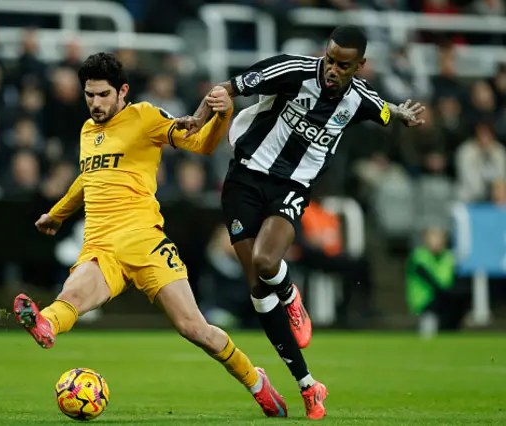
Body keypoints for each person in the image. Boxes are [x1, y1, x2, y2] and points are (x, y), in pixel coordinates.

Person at [12, 53, 288, 418]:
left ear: (122, 91)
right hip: (101, 245)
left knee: (194, 328)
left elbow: (202, 144)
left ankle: (256, 381)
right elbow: (87, 178)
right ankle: (44, 323)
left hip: (145, 243)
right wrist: (57, 214)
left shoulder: (145, 117)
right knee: (72, 294)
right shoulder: (87, 131)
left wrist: (222, 114)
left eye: (103, 95)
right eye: (89, 95)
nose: (95, 103)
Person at [178, 25, 427, 419]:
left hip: (291, 187)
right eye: (329, 59)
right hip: (243, 178)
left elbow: (383, 109)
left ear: (359, 66)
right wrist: (199, 116)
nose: (332, 69)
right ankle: (308, 385)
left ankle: (291, 294)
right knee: (258, 289)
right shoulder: (292, 70)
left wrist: (402, 113)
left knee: (265, 262)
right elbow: (226, 87)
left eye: (343, 65)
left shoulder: (359, 99)